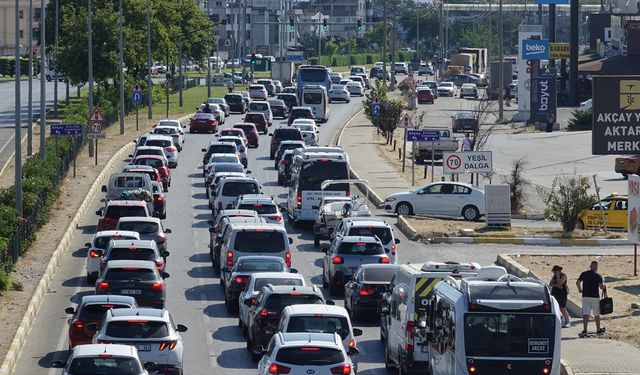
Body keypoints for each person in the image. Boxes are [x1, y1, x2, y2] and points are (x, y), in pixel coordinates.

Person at [576, 260, 607, 337]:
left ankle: (585, 330)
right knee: (596, 314)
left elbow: (577, 282)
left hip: (585, 296)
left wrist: (580, 289)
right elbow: (601, 287)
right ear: (596, 268)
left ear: (590, 266)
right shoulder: (598, 276)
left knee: (586, 313)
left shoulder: (584, 274)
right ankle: (598, 330)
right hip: (595, 297)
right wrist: (604, 286)